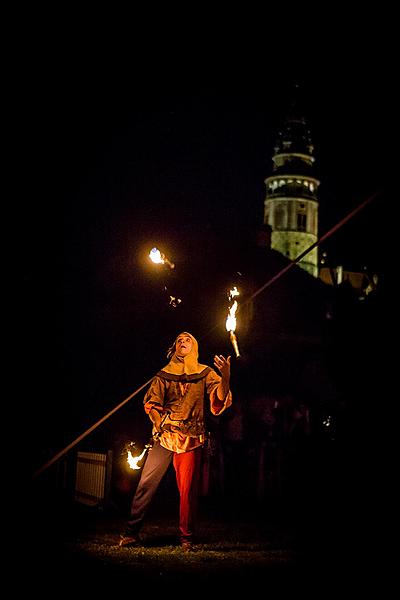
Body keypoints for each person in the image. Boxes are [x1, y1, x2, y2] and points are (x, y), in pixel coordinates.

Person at [119, 331, 232, 551]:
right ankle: (131, 533)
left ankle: (186, 539)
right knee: (146, 484)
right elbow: (151, 403)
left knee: (188, 491)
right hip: (164, 437)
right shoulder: (164, 374)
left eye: (188, 339)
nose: (183, 342)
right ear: (175, 347)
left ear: (195, 346)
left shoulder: (205, 373)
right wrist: (158, 419)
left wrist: (225, 376)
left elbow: (219, 400)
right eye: (179, 340)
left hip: (191, 438)